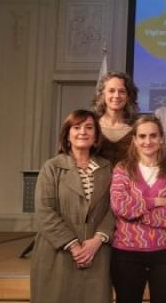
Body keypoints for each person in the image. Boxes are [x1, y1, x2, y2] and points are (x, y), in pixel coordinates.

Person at [30, 110, 113, 303]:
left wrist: (98, 240)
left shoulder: (108, 167)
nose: (82, 132)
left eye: (89, 127)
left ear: (96, 136)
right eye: (76, 127)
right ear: (67, 135)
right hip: (58, 253)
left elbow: (114, 208)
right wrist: (74, 246)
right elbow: (44, 211)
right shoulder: (51, 167)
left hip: (97, 253)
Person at [109, 115, 166, 303]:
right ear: (134, 140)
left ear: (161, 138)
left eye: (153, 135)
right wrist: (154, 202)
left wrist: (135, 214)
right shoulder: (122, 169)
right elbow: (119, 206)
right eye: (142, 136)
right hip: (127, 253)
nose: (147, 141)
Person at [93, 71, 139, 167]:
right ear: (103, 95)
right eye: (111, 91)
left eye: (122, 91)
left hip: (129, 181)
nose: (116, 96)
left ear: (128, 96)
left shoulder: (138, 127)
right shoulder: (91, 125)